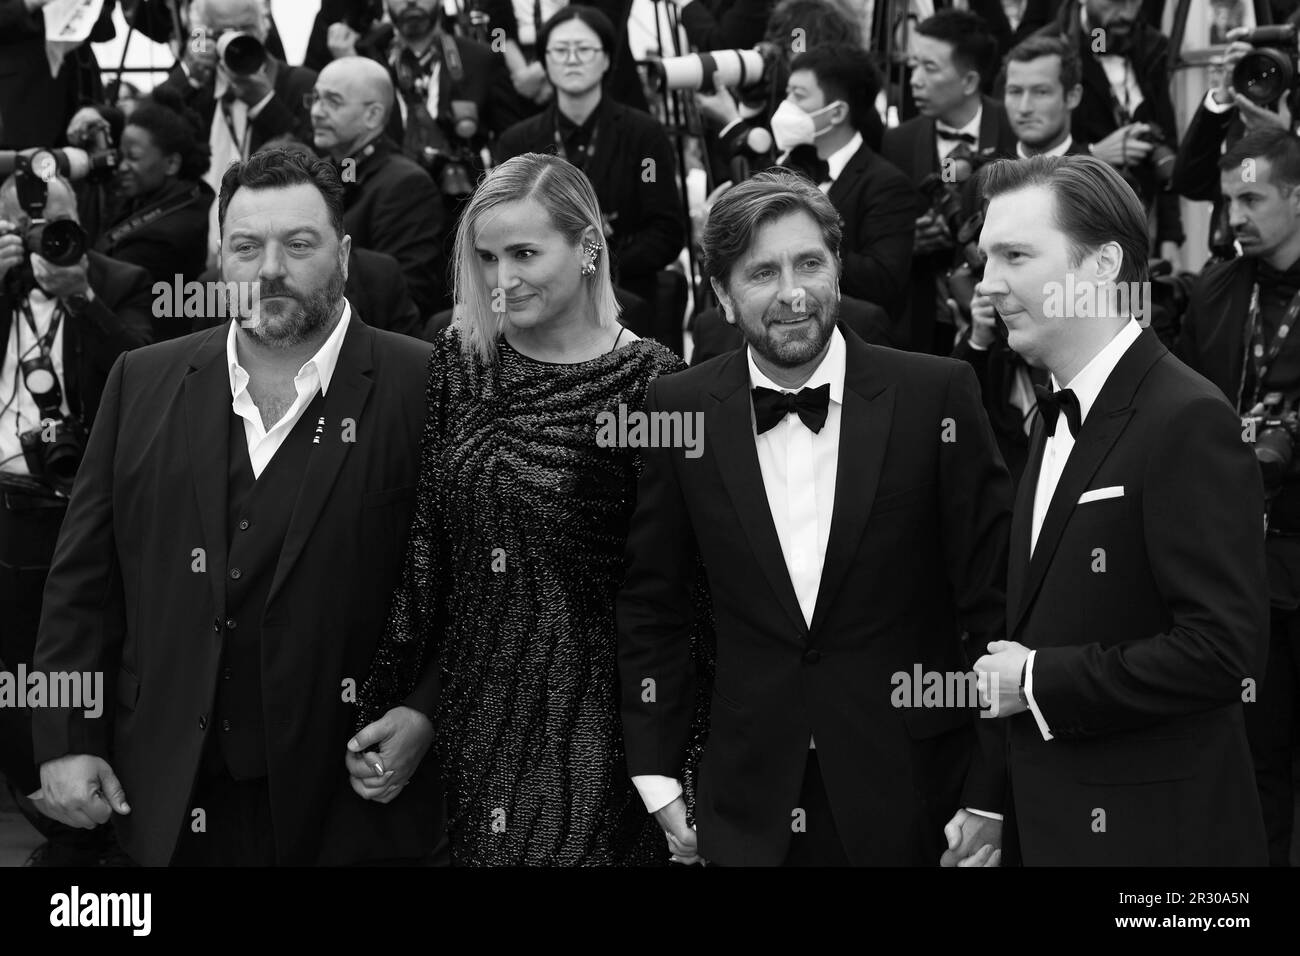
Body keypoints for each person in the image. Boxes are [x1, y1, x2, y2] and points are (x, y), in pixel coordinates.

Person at [28, 149, 442, 866]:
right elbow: (83, 586)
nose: (270, 268)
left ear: (343, 254)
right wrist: (66, 740)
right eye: (246, 246)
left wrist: (426, 713)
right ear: (219, 258)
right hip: (163, 791)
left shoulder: (425, 383)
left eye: (299, 244)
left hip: (348, 802)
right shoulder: (144, 379)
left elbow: (476, 582)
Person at [617, 169, 1013, 866]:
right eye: (762, 272)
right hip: (746, 798)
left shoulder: (936, 397)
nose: (793, 293)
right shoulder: (675, 409)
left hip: (918, 795)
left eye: (810, 263)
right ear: (721, 294)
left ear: (837, 268)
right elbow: (654, 601)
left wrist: (988, 791)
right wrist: (655, 771)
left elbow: (993, 605)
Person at [354, 152, 691, 866]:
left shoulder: (653, 384)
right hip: (474, 718)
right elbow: (429, 555)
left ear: (588, 247)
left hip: (596, 725)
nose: (502, 280)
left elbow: (676, 586)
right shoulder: (459, 361)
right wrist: (401, 699)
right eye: (486, 257)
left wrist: (679, 761)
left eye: (525, 253)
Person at [972, 154, 1269, 866]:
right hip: (1057, 826)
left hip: (1160, 845)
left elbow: (1221, 653)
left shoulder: (1184, 416)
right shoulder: (1052, 415)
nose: (987, 283)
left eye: (1015, 254)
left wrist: (1039, 680)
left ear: (1102, 265)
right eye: (984, 258)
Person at [0, 172, 153, 865]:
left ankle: (93, 821)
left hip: (84, 512)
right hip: (8, 509)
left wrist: (81, 297)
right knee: (12, 673)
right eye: (30, 227)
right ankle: (44, 815)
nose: (48, 239)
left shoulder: (120, 280)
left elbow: (149, 373)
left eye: (60, 223)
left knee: (74, 660)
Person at [1176, 128, 1300, 866]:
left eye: (1252, 198)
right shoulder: (1219, 288)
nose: (1235, 218)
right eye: (1228, 201)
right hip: (1245, 570)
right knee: (1255, 764)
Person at [495, 6, 686, 349]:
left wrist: (594, 264)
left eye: (584, 50)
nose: (572, 60)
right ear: (545, 61)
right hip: (539, 300)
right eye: (560, 50)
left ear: (607, 59)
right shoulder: (517, 141)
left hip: (626, 296)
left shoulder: (644, 136)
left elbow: (667, 230)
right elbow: (501, 230)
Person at [955, 34, 1088, 486]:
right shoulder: (979, 180)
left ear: (1072, 95)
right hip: (996, 405)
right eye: (1014, 91)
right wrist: (976, 330)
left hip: (1079, 398)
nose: (1025, 105)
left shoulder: (1103, 182)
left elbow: (1130, 299)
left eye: (1041, 91)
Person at [882, 8, 1017, 355]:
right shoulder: (897, 142)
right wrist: (910, 239)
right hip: (926, 322)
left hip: (1004, 321)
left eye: (929, 68)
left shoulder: (1013, 128)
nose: (914, 80)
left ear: (970, 81)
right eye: (913, 65)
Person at [153, 0, 317, 265]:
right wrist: (188, 73)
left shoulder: (299, 84)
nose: (234, 40)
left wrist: (266, 103)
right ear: (202, 35)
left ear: (263, 30)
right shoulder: (197, 87)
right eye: (221, 32)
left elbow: (318, 162)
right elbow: (148, 130)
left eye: (244, 29)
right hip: (194, 254)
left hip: (272, 251)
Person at [311, 56, 446, 320]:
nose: (316, 111)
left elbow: (404, 295)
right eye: (315, 98)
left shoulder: (406, 185)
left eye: (332, 101)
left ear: (372, 115)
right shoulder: (316, 174)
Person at [92, 88, 216, 340]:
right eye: (120, 156)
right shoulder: (193, 194)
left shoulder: (168, 235)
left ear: (171, 163)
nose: (121, 167)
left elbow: (103, 278)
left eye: (133, 157)